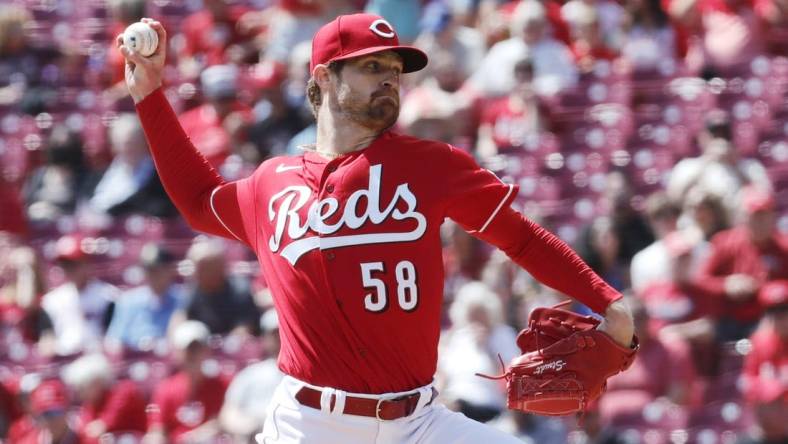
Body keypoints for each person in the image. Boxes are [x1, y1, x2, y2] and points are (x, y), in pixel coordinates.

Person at [118, 13, 635, 443]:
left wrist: (606, 300)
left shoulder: (431, 165)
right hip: (310, 426)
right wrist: (151, 96)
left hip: (419, 422)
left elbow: (520, 237)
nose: (390, 78)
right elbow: (199, 201)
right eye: (371, 67)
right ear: (323, 76)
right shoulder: (270, 185)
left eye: (394, 68)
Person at [145, 320, 229, 443]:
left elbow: (226, 421)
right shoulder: (166, 389)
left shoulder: (222, 385)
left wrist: (201, 434)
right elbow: (157, 430)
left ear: (207, 350)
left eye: (197, 348)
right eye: (188, 349)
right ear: (177, 353)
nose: (193, 354)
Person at [41, 234, 118, 356]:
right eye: (65, 265)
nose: (69, 269)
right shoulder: (52, 300)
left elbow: (114, 338)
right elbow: (46, 338)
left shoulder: (108, 296)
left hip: (96, 357)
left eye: (73, 264)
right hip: (62, 359)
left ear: (86, 263)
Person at [219, 309, 284, 442]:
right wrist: (247, 425)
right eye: (274, 333)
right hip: (256, 435)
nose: (279, 337)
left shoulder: (305, 374)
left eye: (282, 332)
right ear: (265, 338)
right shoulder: (251, 374)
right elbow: (228, 414)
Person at [105, 243, 184, 351]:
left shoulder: (183, 300)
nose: (152, 275)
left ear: (170, 269)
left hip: (173, 360)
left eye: (157, 269)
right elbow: (113, 341)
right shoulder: (128, 301)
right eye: (148, 270)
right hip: (133, 361)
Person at [61, 353, 148, 443]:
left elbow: (101, 427)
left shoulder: (125, 391)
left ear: (97, 382)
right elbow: (85, 435)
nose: (79, 394)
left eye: (81, 387)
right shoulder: (89, 405)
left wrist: (99, 427)